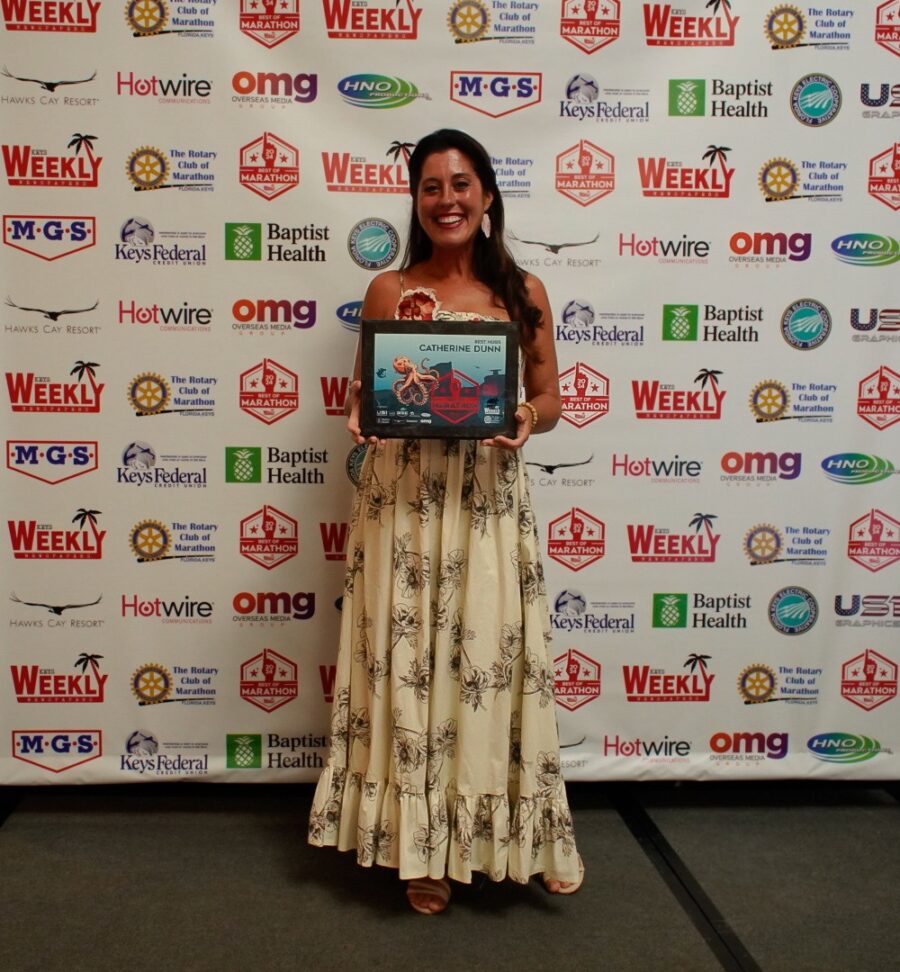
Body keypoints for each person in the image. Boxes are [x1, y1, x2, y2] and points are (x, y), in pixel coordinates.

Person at [308, 129, 583, 914]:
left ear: (488, 194)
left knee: (490, 664)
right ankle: (420, 850)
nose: (447, 200)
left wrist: (528, 413)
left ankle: (520, 836)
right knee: (409, 665)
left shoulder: (523, 291)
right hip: (401, 503)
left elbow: (552, 397)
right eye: (431, 187)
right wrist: (360, 411)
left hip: (487, 502)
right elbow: (364, 393)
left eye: (461, 184)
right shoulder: (388, 292)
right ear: (416, 201)